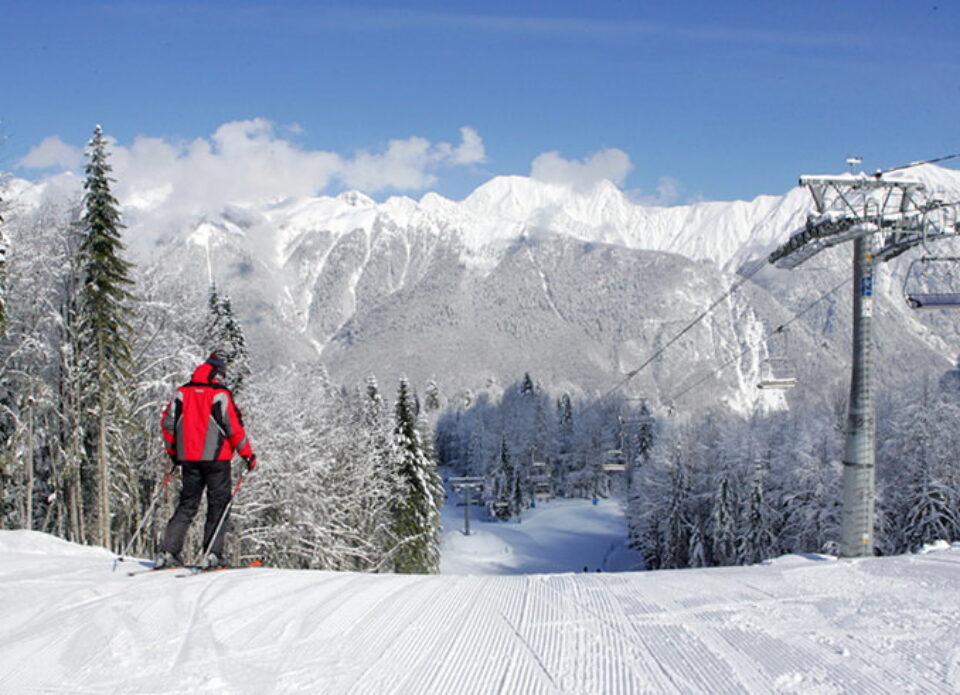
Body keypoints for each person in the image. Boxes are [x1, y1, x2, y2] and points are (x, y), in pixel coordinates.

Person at [155, 353, 257, 569]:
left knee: (187, 504)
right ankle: (212, 555)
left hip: (189, 459)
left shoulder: (181, 393)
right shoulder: (219, 395)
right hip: (216, 459)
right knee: (218, 505)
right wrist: (247, 455)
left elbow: (168, 424)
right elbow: (233, 427)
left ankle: (168, 552)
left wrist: (174, 453)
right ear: (215, 373)